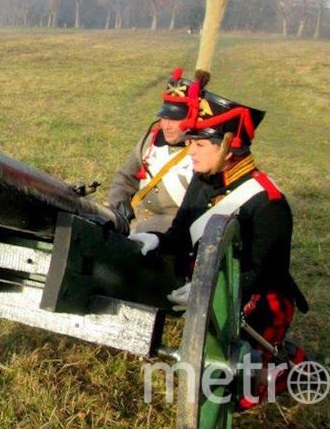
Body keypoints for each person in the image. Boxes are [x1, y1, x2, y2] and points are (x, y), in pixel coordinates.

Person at [129, 82, 308, 409]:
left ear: (230, 144)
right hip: (209, 285)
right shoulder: (202, 179)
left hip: (257, 299)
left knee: (230, 395)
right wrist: (156, 240)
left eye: (199, 142)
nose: (190, 149)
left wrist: (206, 292)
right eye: (190, 141)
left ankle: (287, 367)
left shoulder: (269, 203)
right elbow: (182, 234)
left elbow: (262, 273)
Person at [107, 68, 194, 233]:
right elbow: (125, 178)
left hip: (172, 233)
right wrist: (117, 208)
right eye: (165, 117)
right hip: (136, 222)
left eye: (175, 120)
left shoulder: (199, 153)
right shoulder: (151, 140)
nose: (166, 126)